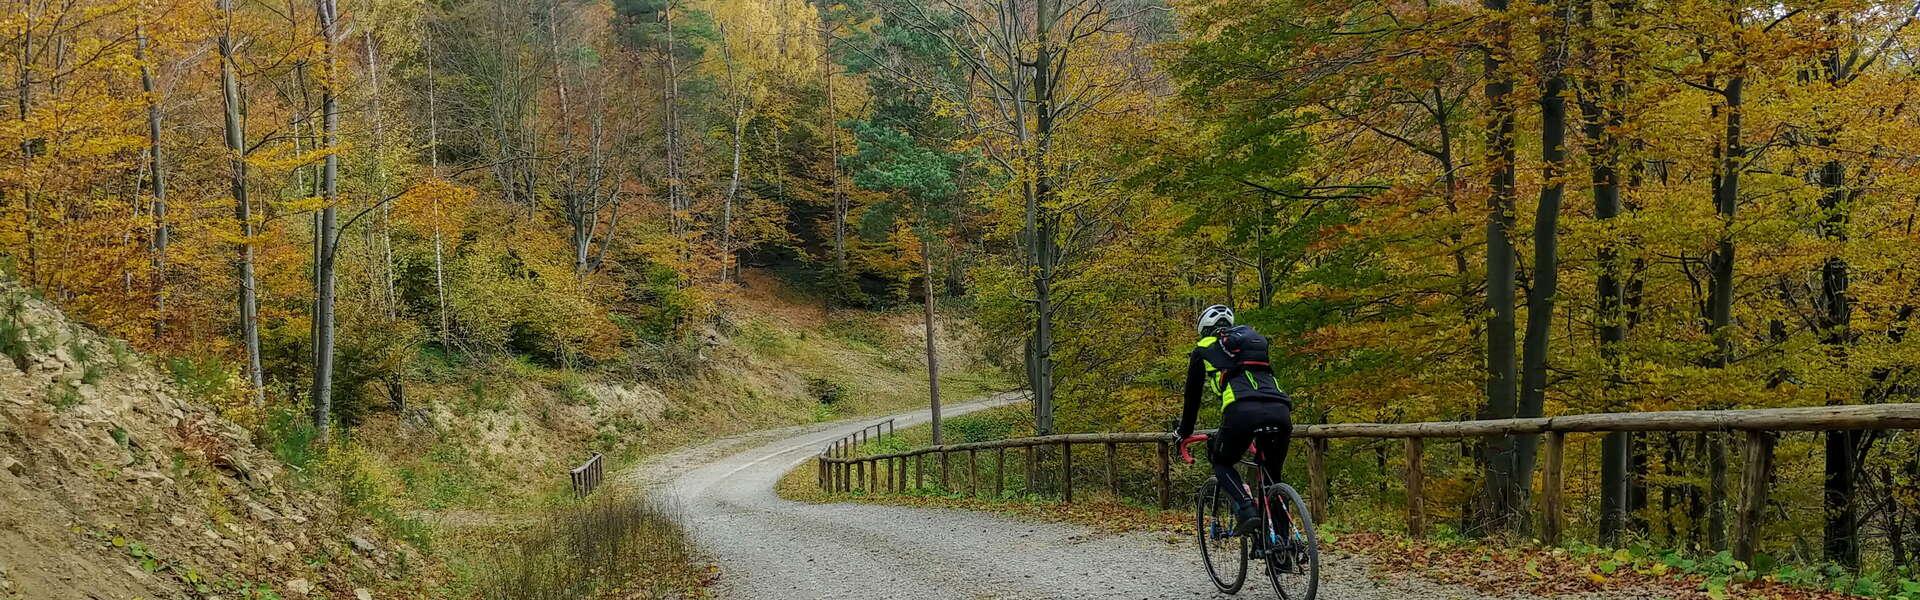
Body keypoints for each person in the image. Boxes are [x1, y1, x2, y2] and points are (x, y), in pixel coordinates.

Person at [1174, 304, 1294, 534]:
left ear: (1204, 329)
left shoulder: (1203, 348)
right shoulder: (1253, 345)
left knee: (1222, 461)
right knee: (1272, 479)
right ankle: (1282, 554)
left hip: (1241, 412)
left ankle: (1246, 509)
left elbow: (1192, 397)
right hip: (1280, 410)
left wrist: (1184, 431)